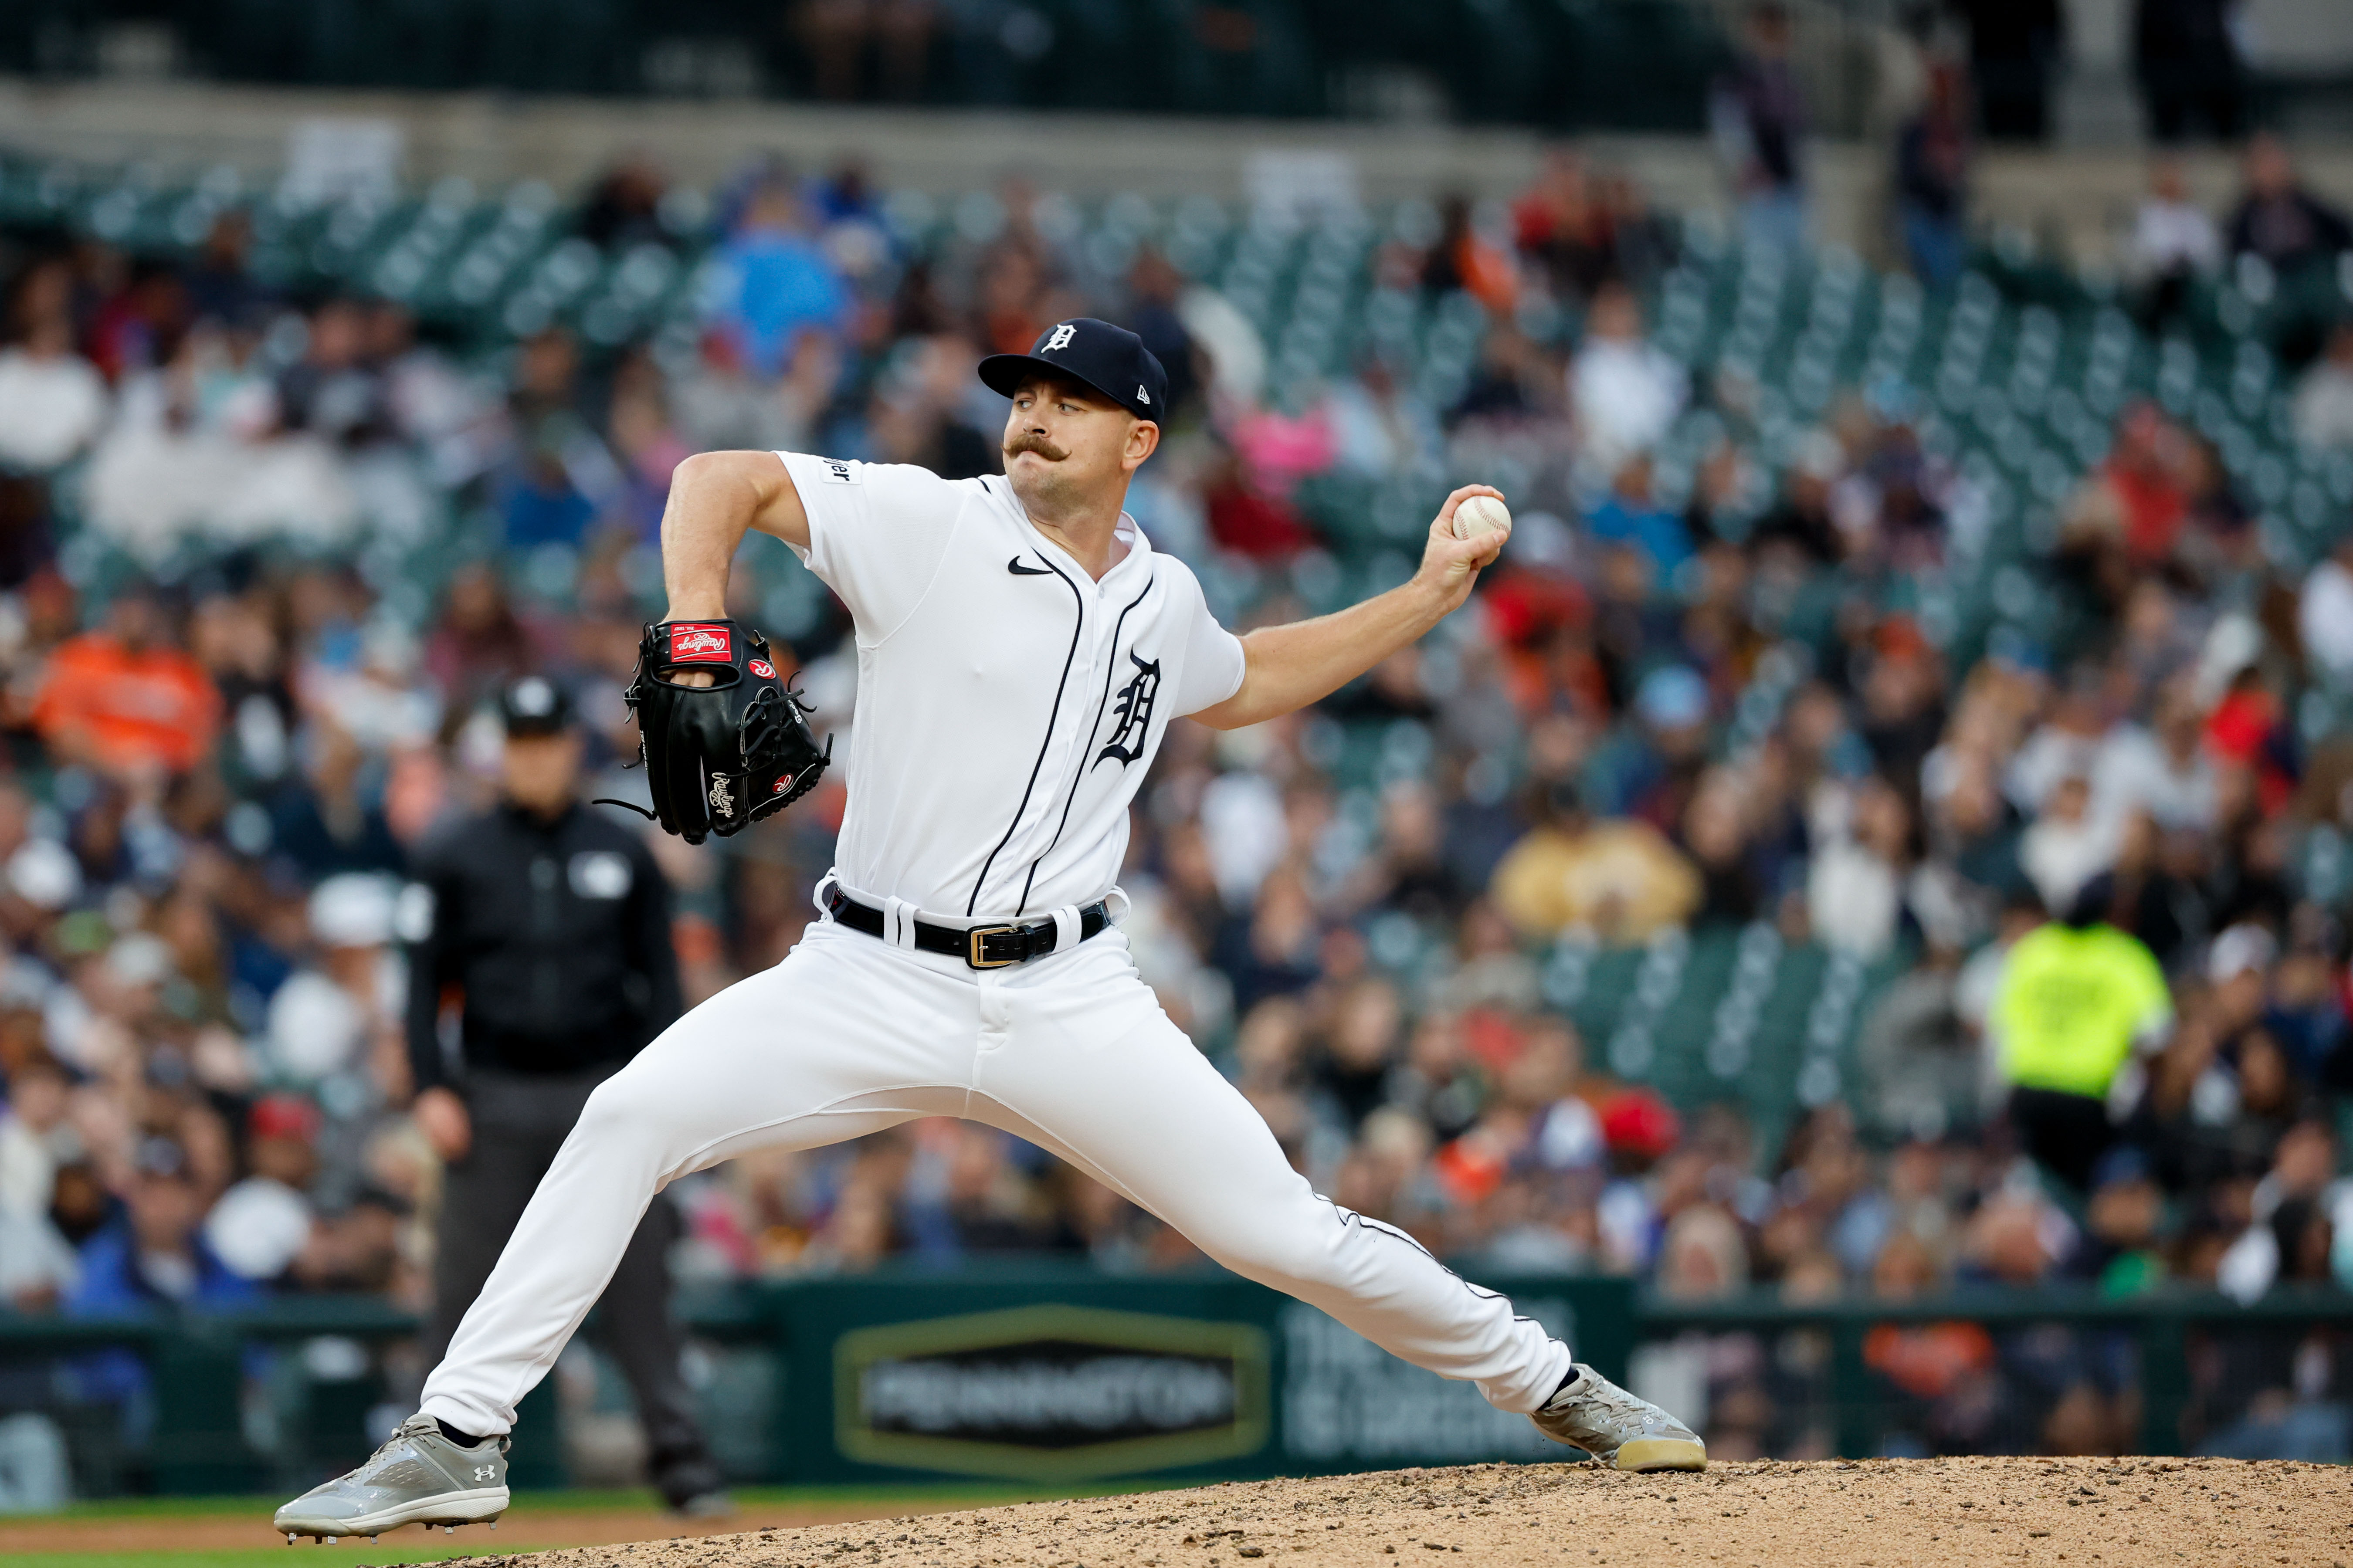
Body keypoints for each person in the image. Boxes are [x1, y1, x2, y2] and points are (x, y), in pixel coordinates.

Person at [273, 317, 1704, 1543]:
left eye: (1066, 400)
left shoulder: (1164, 595)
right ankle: (461, 1433)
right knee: (633, 1109)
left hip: (1074, 995)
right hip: (866, 972)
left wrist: (1425, 596)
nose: (1031, 417)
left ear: (1139, 436)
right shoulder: (930, 523)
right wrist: (697, 625)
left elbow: (1250, 676)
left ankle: (1555, 1381)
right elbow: (720, 477)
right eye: (1022, 395)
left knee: (1290, 1233)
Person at [397, 676, 725, 1518]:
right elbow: (423, 982)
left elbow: (659, 983)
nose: (534, 758)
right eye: (521, 743)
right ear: (503, 753)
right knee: (466, 1284)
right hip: (494, 1094)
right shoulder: (457, 851)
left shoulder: (620, 850)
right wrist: (432, 1086)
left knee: (639, 1279)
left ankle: (680, 1457)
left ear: (569, 750)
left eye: (547, 742)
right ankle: (435, 1459)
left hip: (602, 1093)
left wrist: (657, 1090)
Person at [1988, 877, 2172, 1190]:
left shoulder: (2034, 949)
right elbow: (2157, 1036)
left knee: (2034, 1191)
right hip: (2088, 1100)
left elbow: (2000, 1027)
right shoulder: (2125, 955)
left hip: (2027, 1094)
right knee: (2078, 1194)